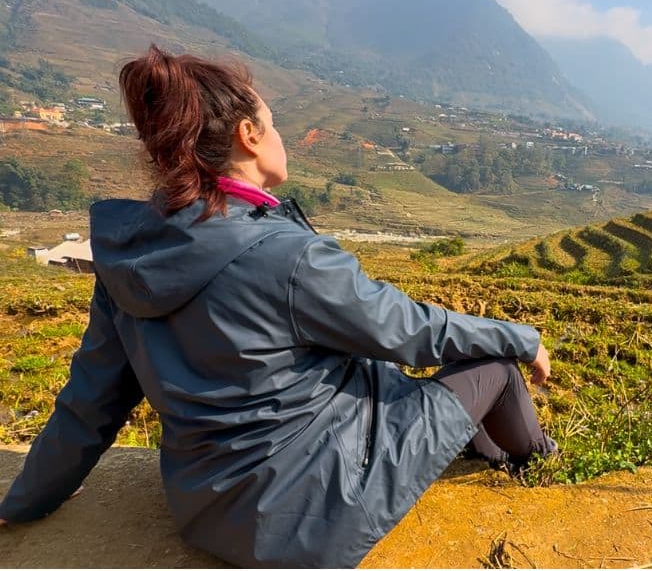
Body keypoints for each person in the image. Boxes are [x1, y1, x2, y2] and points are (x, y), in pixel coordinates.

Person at [0, 45, 556, 567]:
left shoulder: (130, 256)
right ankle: (544, 468)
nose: (280, 135)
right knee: (496, 367)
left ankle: (489, 456)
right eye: (274, 123)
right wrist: (522, 338)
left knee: (390, 376)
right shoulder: (286, 255)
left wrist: (24, 501)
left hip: (206, 513)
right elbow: (410, 331)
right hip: (311, 517)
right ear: (248, 135)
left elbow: (91, 402)